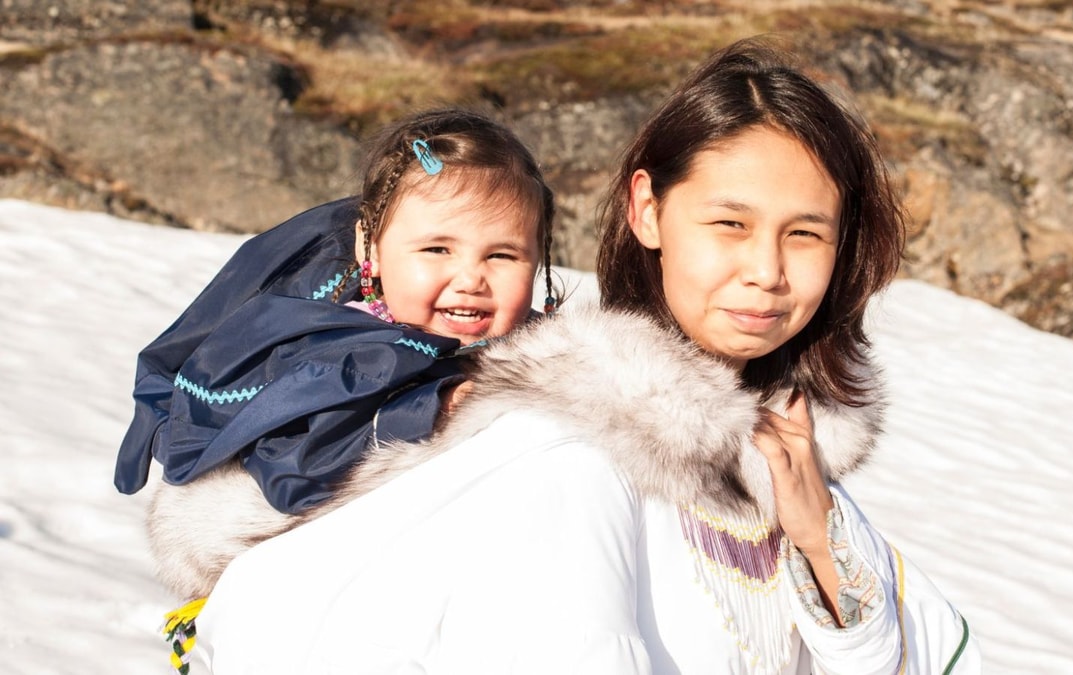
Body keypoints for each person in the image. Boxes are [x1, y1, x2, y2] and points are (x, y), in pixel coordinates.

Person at [188, 37, 980, 674]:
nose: (768, 271)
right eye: (730, 224)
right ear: (647, 209)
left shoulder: (790, 458)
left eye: (804, 233)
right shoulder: (567, 444)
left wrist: (818, 542)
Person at [113, 108, 558, 603]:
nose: (472, 278)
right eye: (436, 249)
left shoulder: (542, 354)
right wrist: (431, 406)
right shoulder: (332, 347)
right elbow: (294, 462)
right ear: (371, 246)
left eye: (502, 255)